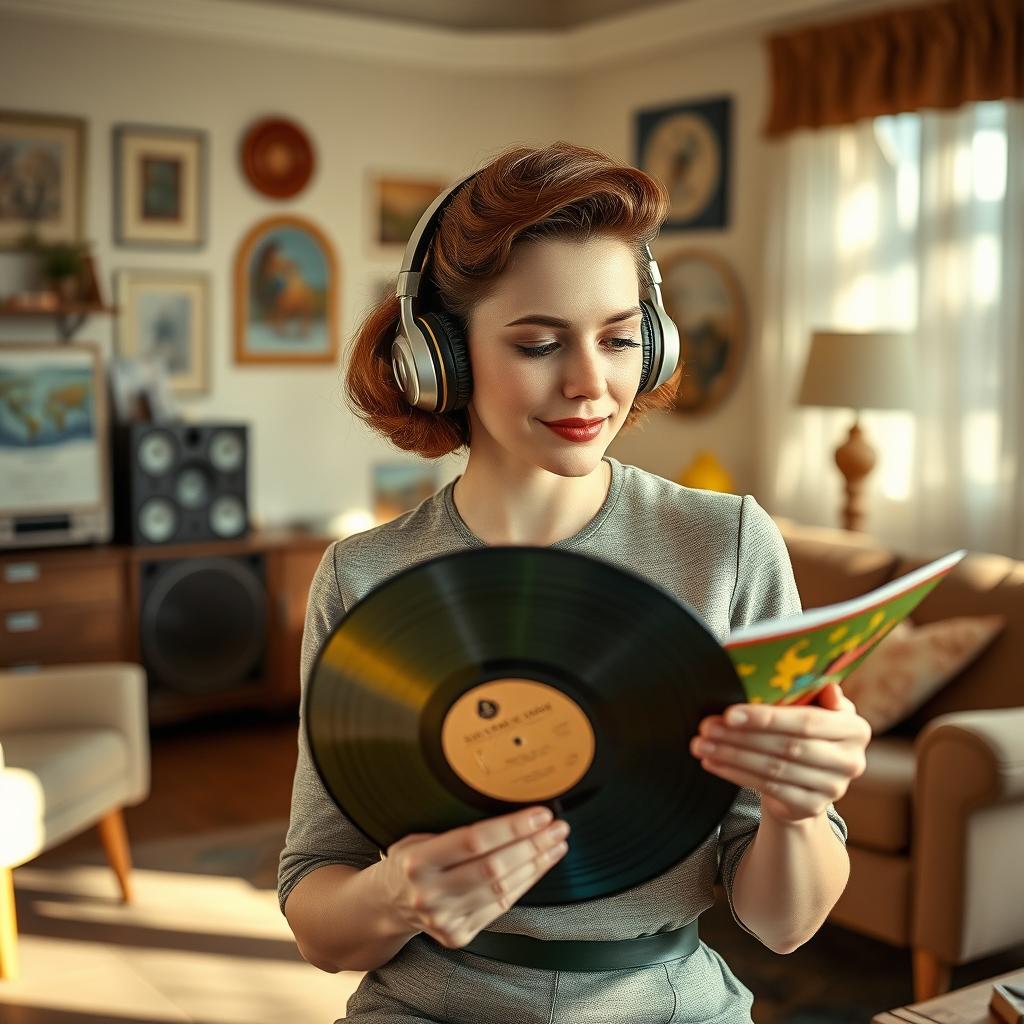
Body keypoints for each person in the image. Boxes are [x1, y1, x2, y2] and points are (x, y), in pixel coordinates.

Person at [278, 141, 871, 1024]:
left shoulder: (730, 544)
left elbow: (782, 927)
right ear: (440, 356)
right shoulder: (362, 576)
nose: (592, 383)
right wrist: (395, 895)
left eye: (621, 337)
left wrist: (797, 810)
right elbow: (319, 923)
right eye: (539, 342)